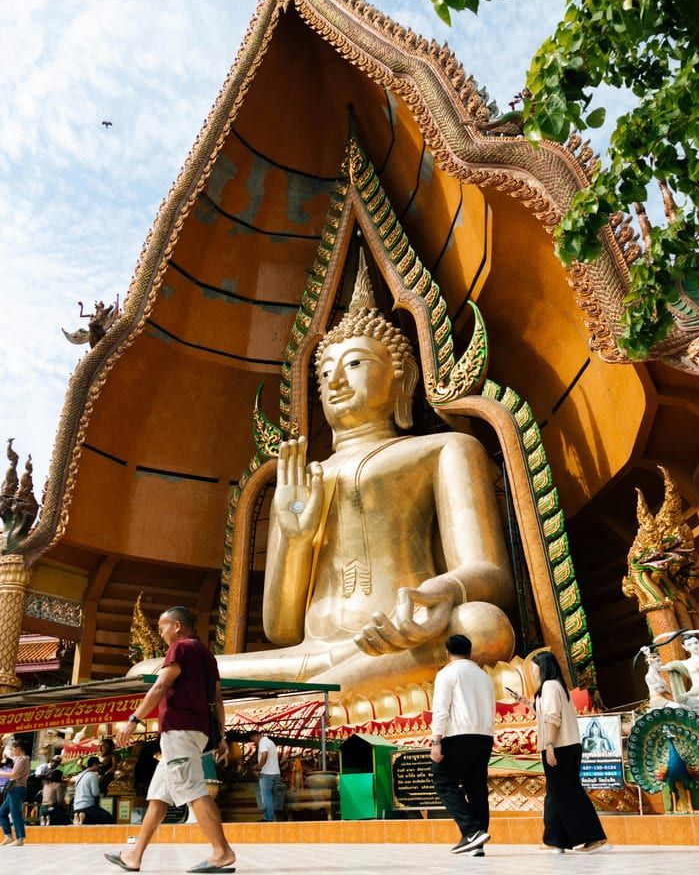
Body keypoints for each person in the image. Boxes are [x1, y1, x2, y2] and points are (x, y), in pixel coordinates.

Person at [131, 255, 515, 698]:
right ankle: (325, 696)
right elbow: (280, 627)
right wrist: (295, 536)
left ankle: (298, 705)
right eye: (325, 372)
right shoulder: (302, 481)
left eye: (353, 364)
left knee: (482, 626)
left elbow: (492, 576)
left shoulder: (443, 449)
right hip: (314, 656)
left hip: (405, 640)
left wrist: (442, 590)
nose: (334, 382)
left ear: (402, 379)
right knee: (142, 673)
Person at [108, 606, 236, 874]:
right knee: (159, 796)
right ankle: (135, 855)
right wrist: (221, 735)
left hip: (180, 730)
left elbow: (160, 685)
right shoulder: (208, 656)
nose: (162, 633)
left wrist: (134, 720)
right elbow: (218, 697)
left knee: (193, 789)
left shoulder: (180, 649)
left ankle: (221, 852)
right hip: (195, 732)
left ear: (177, 626)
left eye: (162, 627)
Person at [528, 651, 610, 854]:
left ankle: (594, 837)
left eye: (534, 666)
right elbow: (547, 713)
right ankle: (556, 840)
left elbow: (552, 717)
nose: (531, 670)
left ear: (543, 667)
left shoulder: (548, 686)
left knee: (568, 794)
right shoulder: (557, 686)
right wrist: (525, 701)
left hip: (559, 746)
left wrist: (549, 745)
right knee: (556, 794)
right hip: (569, 745)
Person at [429, 632, 496, 856]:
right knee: (477, 788)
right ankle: (477, 840)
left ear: (447, 653)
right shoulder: (484, 676)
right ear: (470, 652)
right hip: (484, 737)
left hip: (458, 736)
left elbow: (441, 708)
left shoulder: (447, 674)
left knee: (444, 781)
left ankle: (471, 830)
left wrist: (435, 740)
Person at [0, 736, 30, 847]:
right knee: (2, 812)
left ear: (19, 749)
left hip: (18, 788)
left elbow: (14, 775)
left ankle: (20, 838)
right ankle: (8, 836)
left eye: (13, 749)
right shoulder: (19, 760)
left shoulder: (22, 759)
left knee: (15, 813)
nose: (12, 751)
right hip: (13, 788)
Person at [249, 730, 281, 822]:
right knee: (271, 797)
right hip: (276, 773)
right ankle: (271, 817)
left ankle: (268, 818)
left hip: (267, 774)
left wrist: (259, 768)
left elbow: (264, 754)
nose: (254, 742)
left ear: (256, 736)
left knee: (266, 797)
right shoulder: (271, 742)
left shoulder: (263, 742)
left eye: (253, 740)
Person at [73, 756, 112, 824]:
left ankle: (79, 817)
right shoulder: (92, 776)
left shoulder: (80, 775)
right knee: (108, 817)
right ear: (94, 764)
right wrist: (98, 783)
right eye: (98, 765)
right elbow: (95, 793)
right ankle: (83, 816)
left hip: (76, 807)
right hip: (88, 806)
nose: (99, 767)